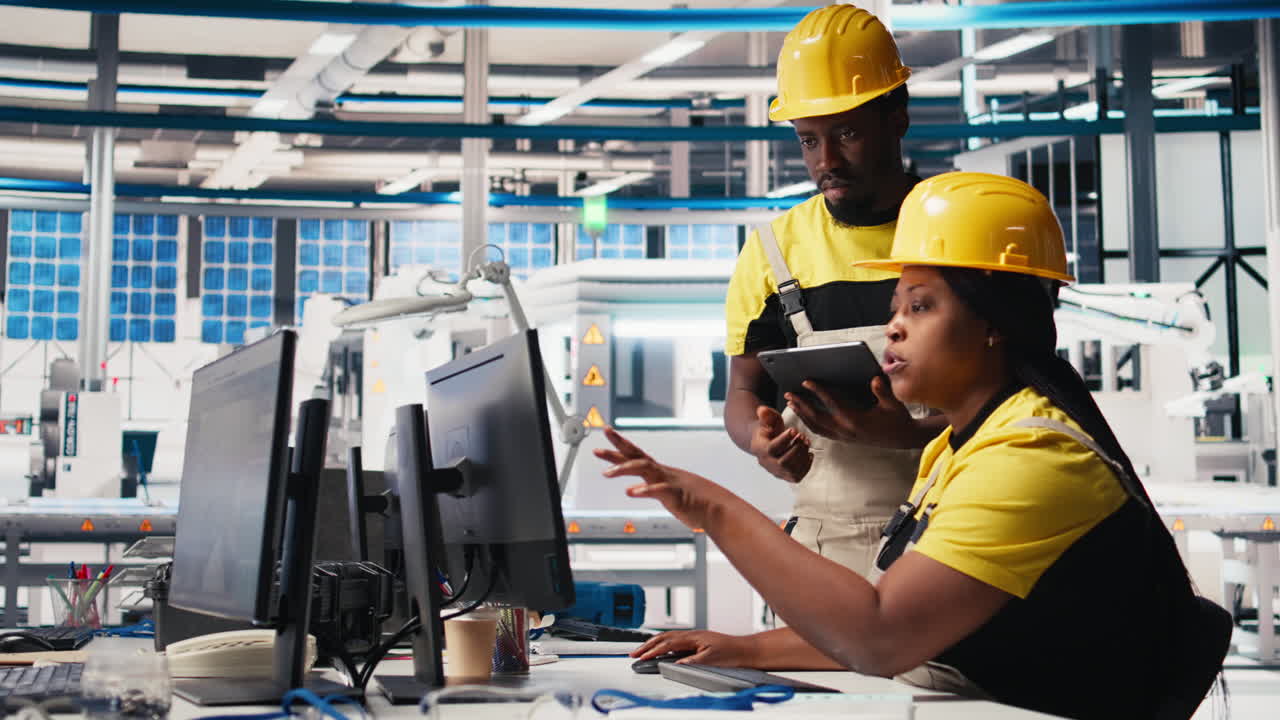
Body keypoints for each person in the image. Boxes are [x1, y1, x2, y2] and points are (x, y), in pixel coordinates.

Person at [603, 172, 1232, 720]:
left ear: (992, 324)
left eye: (922, 305)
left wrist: (713, 507)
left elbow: (882, 634)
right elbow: (920, 626)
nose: (895, 324)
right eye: (897, 304)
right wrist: (745, 648)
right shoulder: (963, 444)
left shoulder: (1034, 457)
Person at [723, 3, 944, 575]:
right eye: (807, 141)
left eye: (846, 133)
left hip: (955, 536)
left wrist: (913, 434)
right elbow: (743, 393)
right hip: (826, 551)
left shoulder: (956, 230)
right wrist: (760, 441)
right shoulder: (775, 253)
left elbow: (1023, 399)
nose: (827, 162)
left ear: (897, 118)